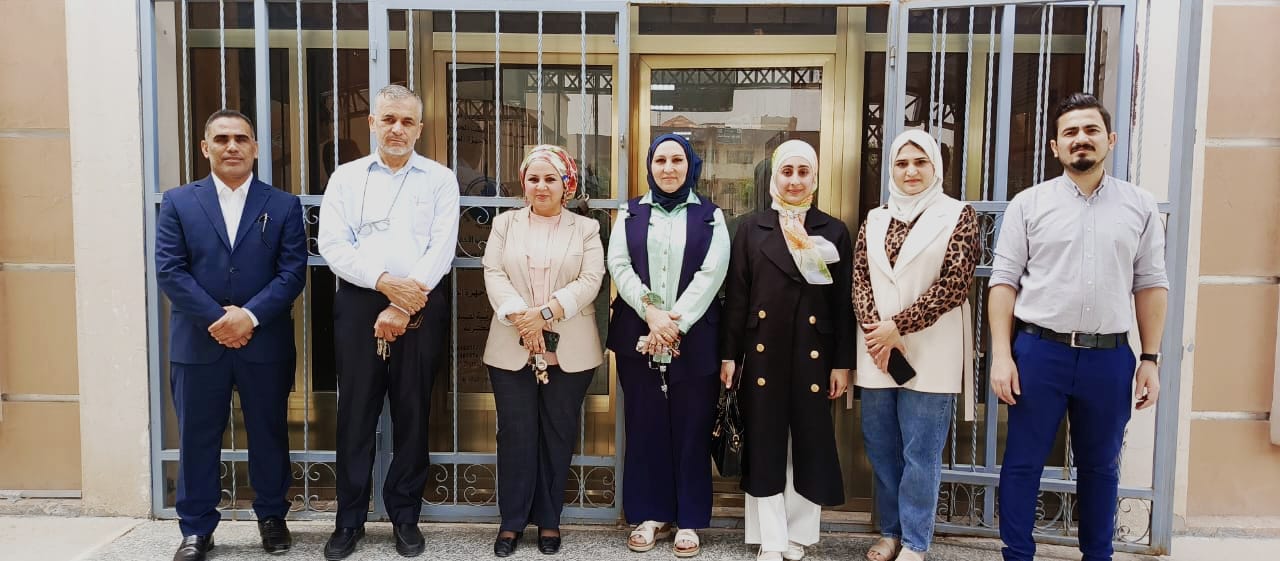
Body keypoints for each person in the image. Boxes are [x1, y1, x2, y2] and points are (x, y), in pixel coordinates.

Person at [989, 93, 1168, 561]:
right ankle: (1017, 555)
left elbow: (1151, 284)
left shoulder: (1139, 206)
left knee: (1101, 467)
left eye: (1090, 130)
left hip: (1108, 358)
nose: (1080, 139)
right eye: (1070, 132)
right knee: (1022, 463)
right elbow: (1003, 282)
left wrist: (1150, 359)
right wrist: (1002, 355)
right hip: (1039, 353)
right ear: (1055, 146)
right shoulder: (1029, 205)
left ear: (1110, 139)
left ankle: (1097, 555)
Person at [155, 109, 307, 561]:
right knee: (197, 436)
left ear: (255, 148)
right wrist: (220, 320)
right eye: (222, 139)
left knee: (269, 431)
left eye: (241, 138)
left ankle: (272, 516)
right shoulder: (179, 202)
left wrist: (250, 317)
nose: (232, 146)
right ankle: (196, 529)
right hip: (199, 343)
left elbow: (292, 272)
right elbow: (170, 270)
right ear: (206, 148)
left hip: (265, 342)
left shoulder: (283, 205)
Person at [317, 84, 460, 560]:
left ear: (420, 128)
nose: (397, 129)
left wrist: (404, 302)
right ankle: (349, 519)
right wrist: (382, 283)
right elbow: (332, 244)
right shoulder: (346, 178)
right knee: (355, 414)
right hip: (360, 302)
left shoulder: (439, 180)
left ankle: (405, 516)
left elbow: (441, 247)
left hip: (420, 301)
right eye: (389, 120)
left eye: (407, 121)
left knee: (413, 412)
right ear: (372, 123)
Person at [719, 139, 852, 561]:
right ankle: (771, 538)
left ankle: (799, 535)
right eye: (787, 172)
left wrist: (842, 364)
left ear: (815, 177)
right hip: (763, 352)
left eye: (803, 172)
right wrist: (729, 355)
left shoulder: (834, 230)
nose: (794, 181)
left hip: (815, 353)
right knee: (765, 442)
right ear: (773, 177)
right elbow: (737, 298)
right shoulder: (751, 229)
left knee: (809, 442)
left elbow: (843, 305)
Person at [852, 130, 980, 561]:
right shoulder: (875, 218)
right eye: (902, 163)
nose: (910, 171)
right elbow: (860, 280)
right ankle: (890, 532)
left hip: (930, 349)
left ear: (936, 167)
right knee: (881, 448)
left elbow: (955, 284)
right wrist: (877, 333)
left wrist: (898, 327)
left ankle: (914, 542)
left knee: (920, 453)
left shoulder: (958, 215)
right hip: (878, 353)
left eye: (920, 162)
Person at [605, 133, 729, 558]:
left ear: (691, 166)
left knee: (692, 427)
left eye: (678, 160)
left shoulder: (711, 216)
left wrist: (675, 323)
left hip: (694, 338)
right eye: (661, 160)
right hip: (638, 334)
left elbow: (713, 273)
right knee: (646, 425)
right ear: (649, 166)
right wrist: (652, 313)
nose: (669, 168)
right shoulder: (631, 212)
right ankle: (650, 515)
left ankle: (689, 519)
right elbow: (619, 264)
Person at [481, 145, 606, 557]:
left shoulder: (585, 229)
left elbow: (591, 279)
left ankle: (549, 519)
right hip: (511, 343)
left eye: (550, 178)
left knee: (557, 434)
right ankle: (512, 522)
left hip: (570, 347)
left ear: (566, 184)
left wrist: (547, 313)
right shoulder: (505, 224)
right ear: (524, 184)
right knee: (515, 435)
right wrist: (523, 318)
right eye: (533, 178)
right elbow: (493, 272)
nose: (541, 186)